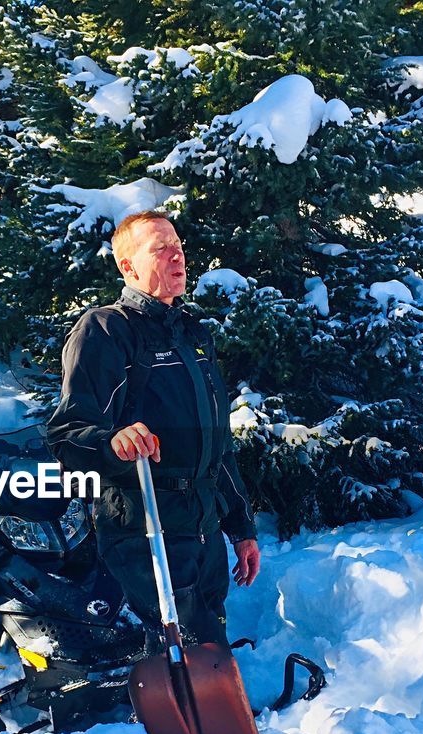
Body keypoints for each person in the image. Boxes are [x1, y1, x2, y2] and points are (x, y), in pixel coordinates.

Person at [46, 210, 261, 652]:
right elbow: (67, 434)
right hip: (146, 527)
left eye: (178, 244)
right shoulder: (107, 331)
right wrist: (112, 441)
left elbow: (217, 445)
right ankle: (190, 719)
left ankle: (205, 714)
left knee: (206, 645)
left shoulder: (194, 335)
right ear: (128, 266)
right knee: (190, 655)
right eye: (160, 248)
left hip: (202, 525)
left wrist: (241, 528)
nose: (176, 254)